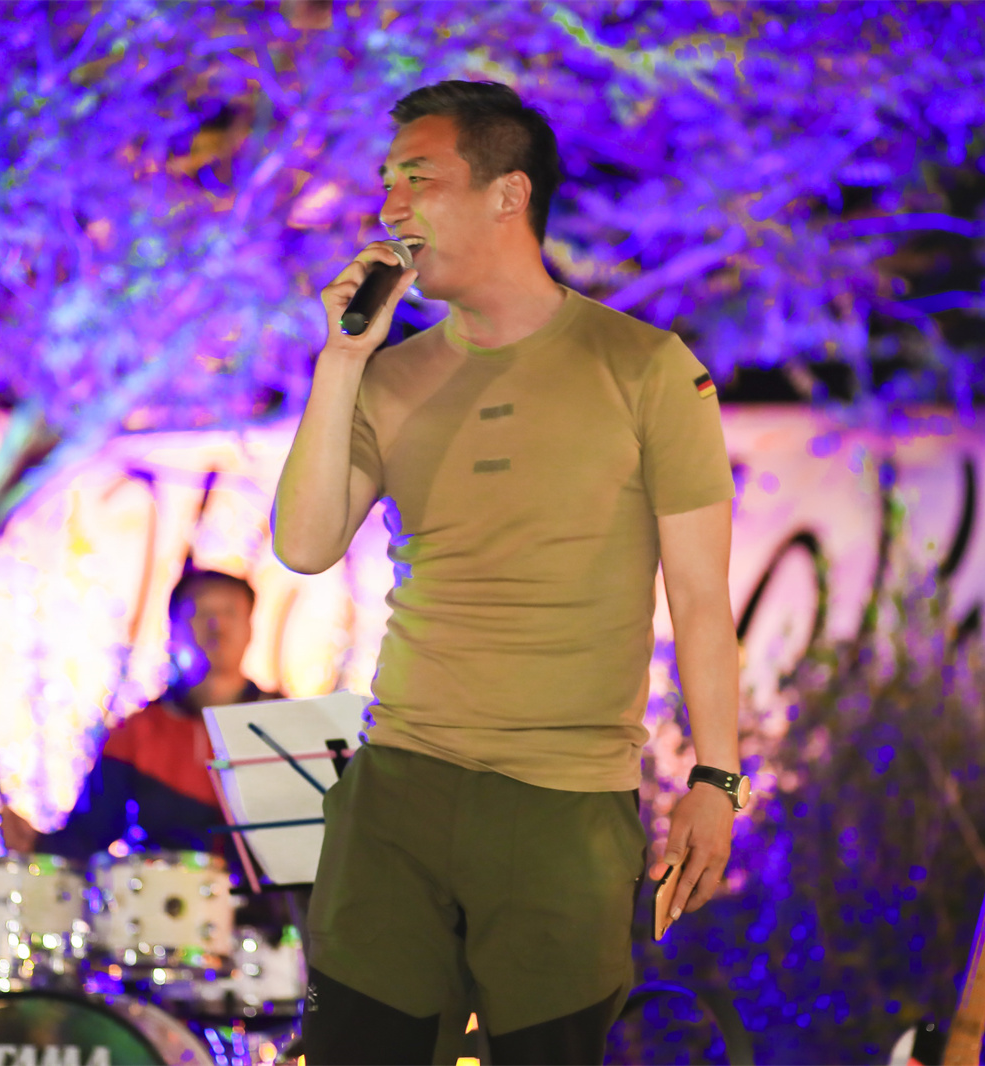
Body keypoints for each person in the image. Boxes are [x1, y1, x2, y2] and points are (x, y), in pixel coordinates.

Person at [273, 81, 746, 1064]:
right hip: (398, 786)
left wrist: (715, 777)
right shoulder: (387, 376)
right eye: (386, 183)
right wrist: (341, 361)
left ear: (507, 194)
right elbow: (305, 545)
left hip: (563, 805)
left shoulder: (646, 366)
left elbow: (702, 599)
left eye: (418, 179)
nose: (390, 207)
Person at [0, 568, 282, 859]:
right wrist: (36, 844)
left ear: (251, 629)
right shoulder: (136, 734)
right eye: (201, 612)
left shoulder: (287, 723)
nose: (217, 626)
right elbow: (87, 837)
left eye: (230, 612)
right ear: (172, 630)